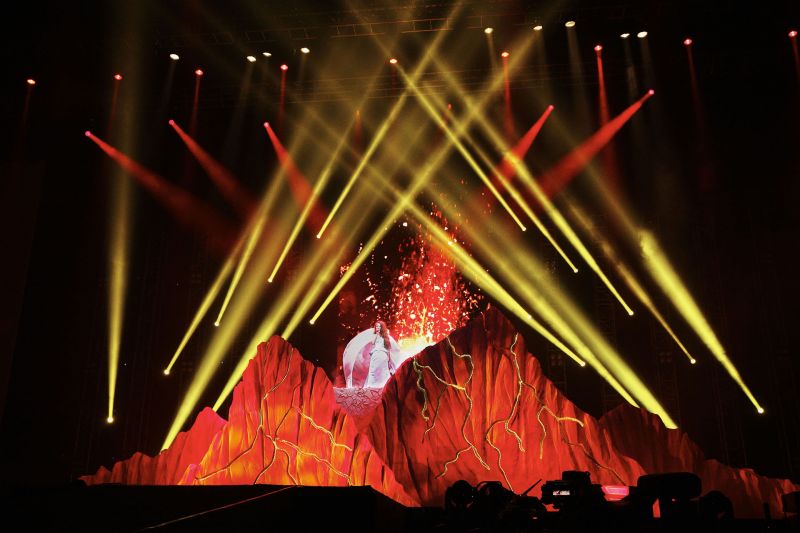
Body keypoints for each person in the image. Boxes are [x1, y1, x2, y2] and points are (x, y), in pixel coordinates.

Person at [364, 321, 397, 388]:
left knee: (383, 370)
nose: (377, 328)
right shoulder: (375, 335)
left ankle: (384, 385)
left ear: (382, 327)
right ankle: (372, 385)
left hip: (383, 354)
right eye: (376, 326)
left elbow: (388, 347)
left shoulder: (386, 336)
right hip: (376, 354)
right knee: (373, 369)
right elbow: (372, 342)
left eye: (379, 326)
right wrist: (376, 334)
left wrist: (389, 358)